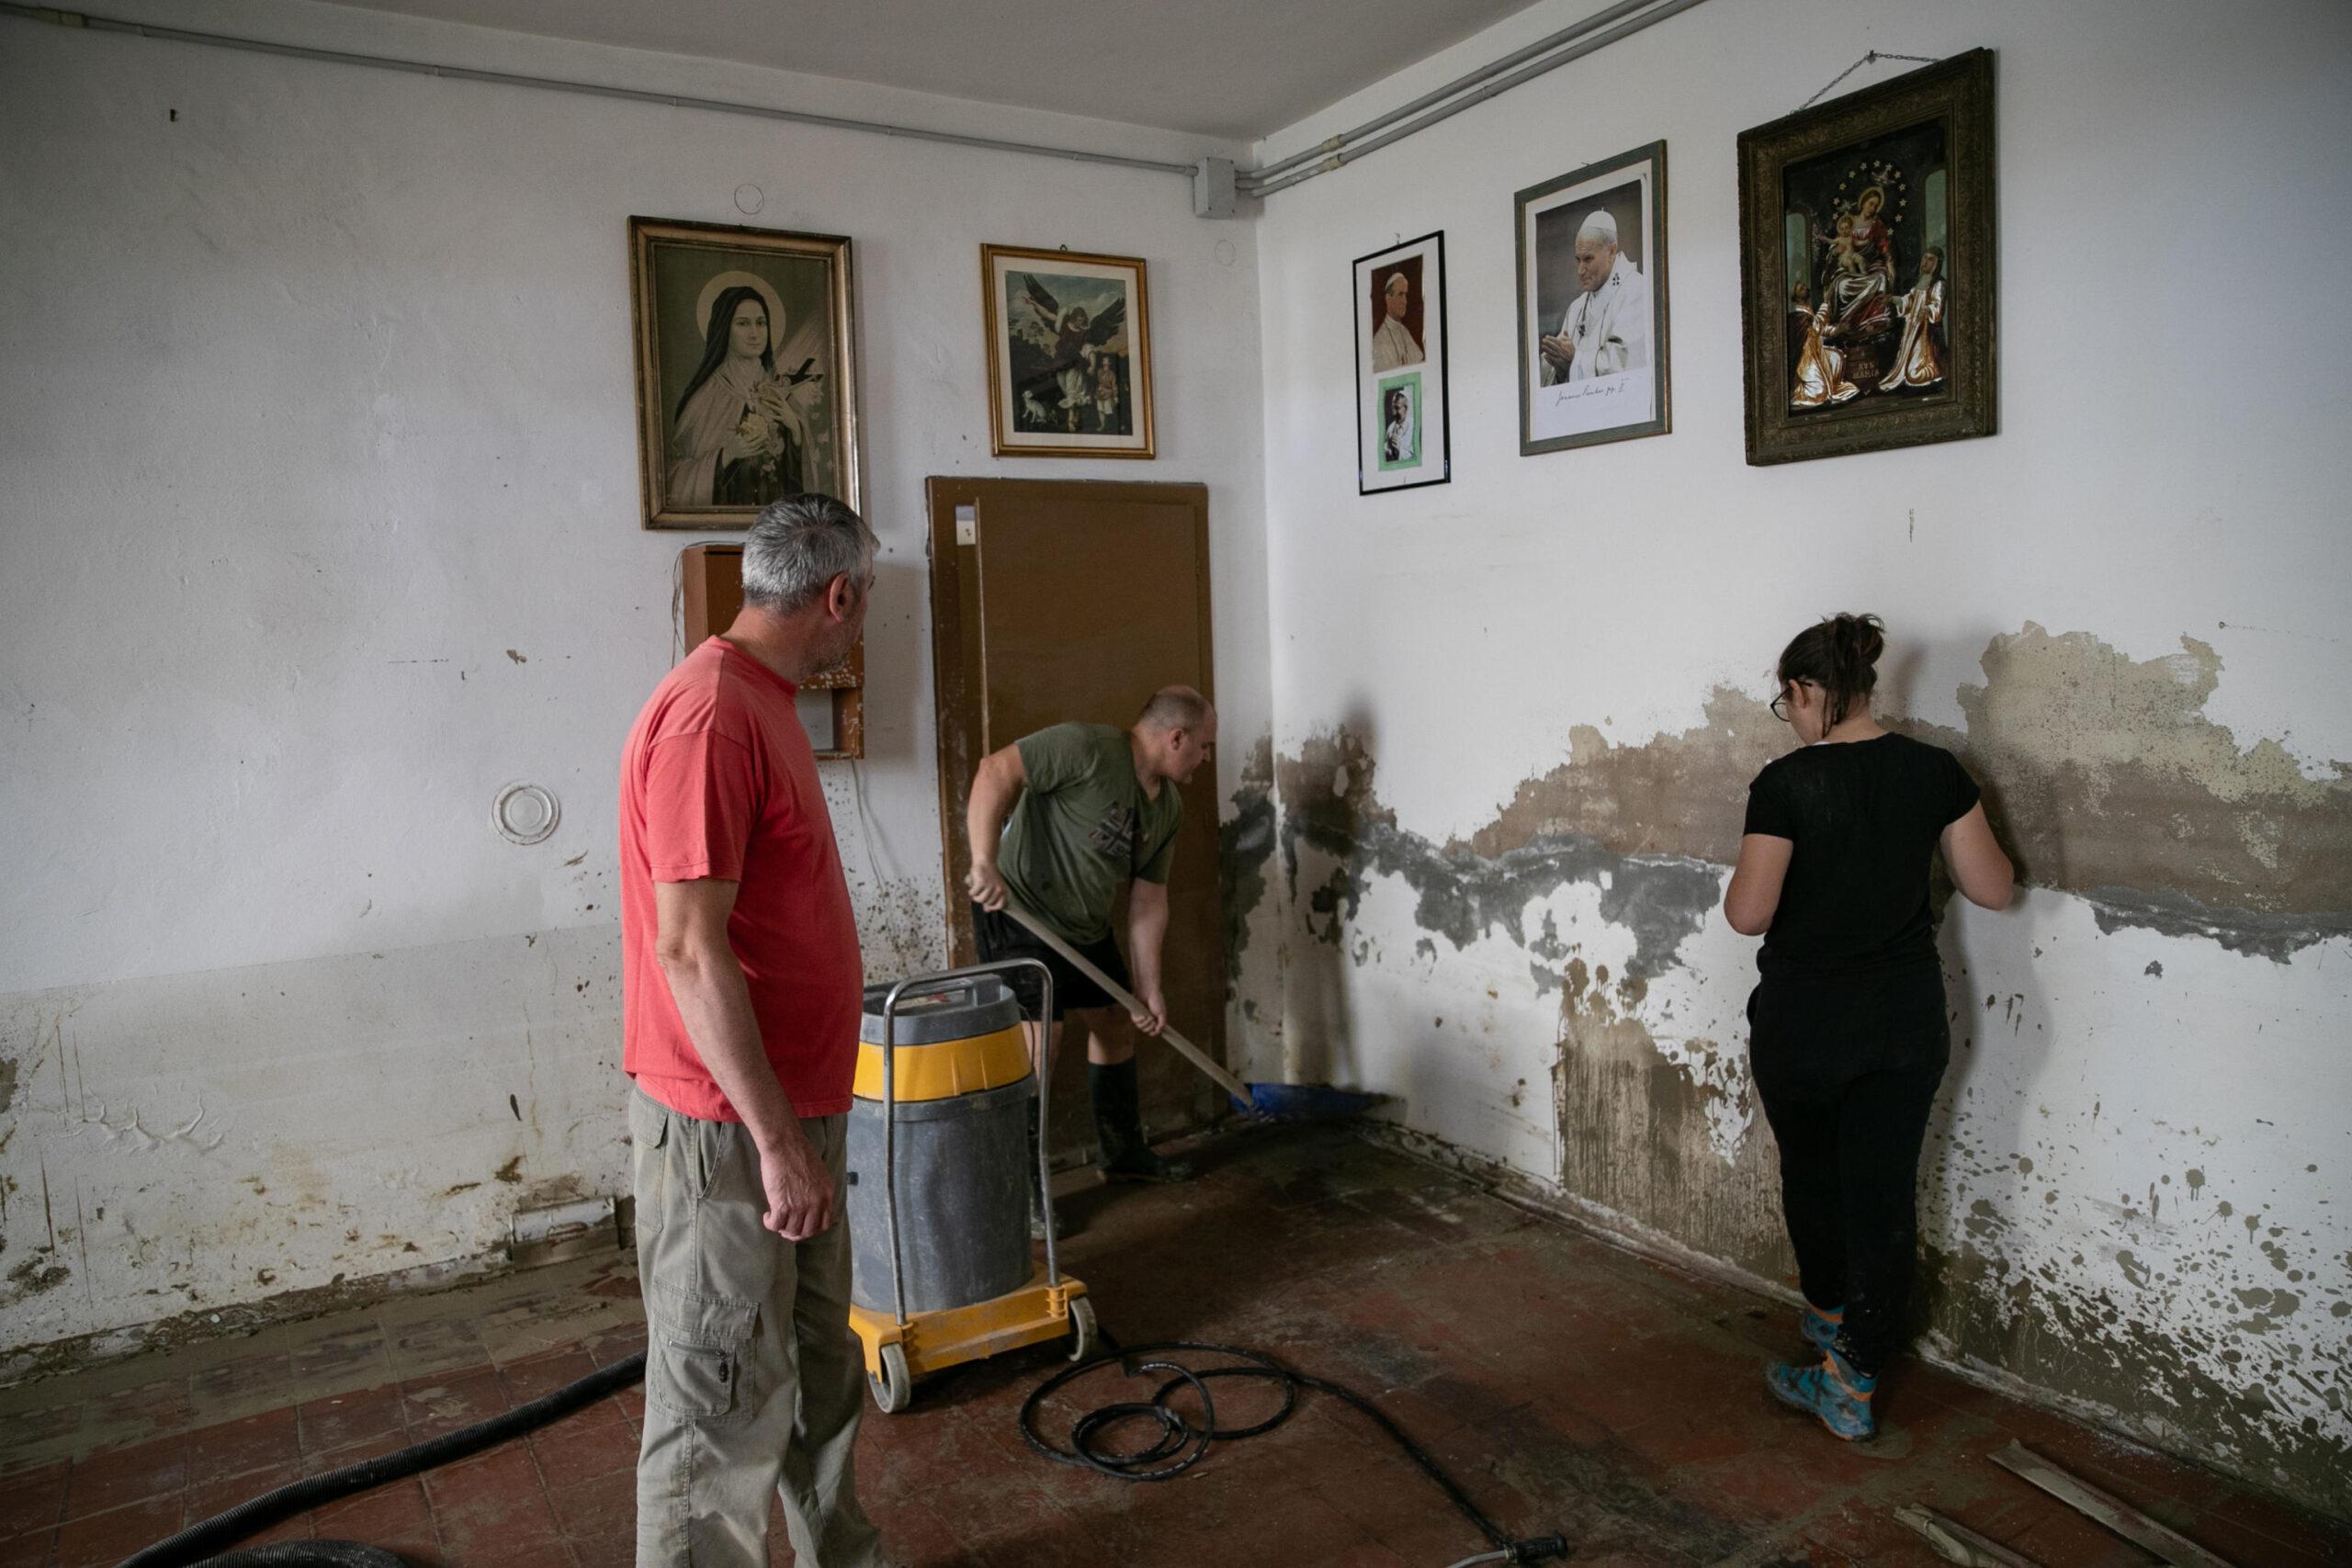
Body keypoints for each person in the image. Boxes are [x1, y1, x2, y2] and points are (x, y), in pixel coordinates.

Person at [617, 493, 892, 1567]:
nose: (862, 619)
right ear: (838, 595)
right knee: (715, 1405)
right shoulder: (710, 715)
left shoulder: (764, 698)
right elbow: (687, 949)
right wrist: (775, 1142)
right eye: (865, 601)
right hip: (730, 1132)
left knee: (818, 1375)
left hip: (791, 1111)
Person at [1724, 614, 2014, 1442]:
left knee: (1813, 1178)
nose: (1792, 717)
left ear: (1809, 691)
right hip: (1902, 1020)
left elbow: (1749, 915)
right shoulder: (1935, 773)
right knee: (1884, 1193)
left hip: (1806, 1023)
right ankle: (1850, 1378)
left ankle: (1828, 1320)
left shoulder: (1786, 784)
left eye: (1789, 701)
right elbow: (1993, 889)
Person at [965, 688, 1218, 1234]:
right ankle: (1023, 1186)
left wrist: (1149, 990)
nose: (1205, 757)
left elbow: (1148, 901)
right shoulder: (1084, 748)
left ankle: (1123, 1152)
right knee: (1040, 1046)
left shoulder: (1166, 809)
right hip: (1018, 911)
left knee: (1114, 1025)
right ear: (1175, 738)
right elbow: (995, 773)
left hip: (1081, 926)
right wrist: (984, 860)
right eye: (1203, 746)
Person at [666, 286, 817, 508]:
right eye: (743, 323)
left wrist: (795, 430)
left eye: (761, 323)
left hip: (777, 519)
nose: (755, 333)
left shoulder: (778, 389)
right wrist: (727, 454)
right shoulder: (708, 394)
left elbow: (799, 480)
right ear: (725, 329)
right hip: (731, 511)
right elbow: (676, 474)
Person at [1538, 208, 1649, 386]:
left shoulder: (1636, 290)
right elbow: (1554, 372)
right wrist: (1557, 365)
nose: (1580, 270)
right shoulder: (1577, 307)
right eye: (1578, 259)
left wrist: (1575, 360)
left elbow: (1627, 365)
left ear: (1612, 251)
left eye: (1588, 259)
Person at [1876, 247, 1948, 392]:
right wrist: (1892, 299)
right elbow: (1909, 301)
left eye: (1930, 259)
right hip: (1913, 326)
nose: (1926, 262)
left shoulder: (1938, 283)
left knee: (1915, 374)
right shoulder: (1921, 280)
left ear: (1937, 263)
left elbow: (1937, 305)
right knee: (1905, 369)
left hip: (1926, 331)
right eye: (1925, 258)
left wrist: (1927, 310)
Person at [1370, 268, 1425, 372]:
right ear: (1388, 299)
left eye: (1406, 295)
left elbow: (1420, 365)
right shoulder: (1379, 340)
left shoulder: (1405, 332)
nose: (1405, 301)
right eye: (1400, 294)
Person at [1382, 386, 1415, 465]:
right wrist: (1387, 447)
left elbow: (1416, 458)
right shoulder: (1390, 428)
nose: (1394, 413)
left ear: (1406, 408)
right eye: (1393, 408)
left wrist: (1399, 449)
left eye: (1397, 408)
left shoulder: (1414, 427)